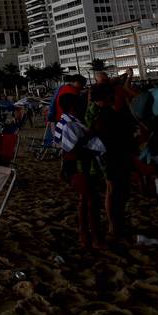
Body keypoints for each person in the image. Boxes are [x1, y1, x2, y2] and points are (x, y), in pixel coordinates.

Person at [87, 82, 135, 244]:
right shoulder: (105, 115)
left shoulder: (97, 112)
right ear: (109, 97)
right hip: (113, 158)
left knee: (113, 191)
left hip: (108, 158)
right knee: (114, 192)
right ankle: (114, 228)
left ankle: (115, 227)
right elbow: (115, 139)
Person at [58, 94, 103, 249]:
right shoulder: (69, 124)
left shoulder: (71, 121)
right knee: (91, 202)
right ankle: (93, 237)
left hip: (80, 168)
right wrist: (91, 134)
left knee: (85, 201)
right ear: (73, 107)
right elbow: (71, 149)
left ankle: (85, 235)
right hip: (79, 169)